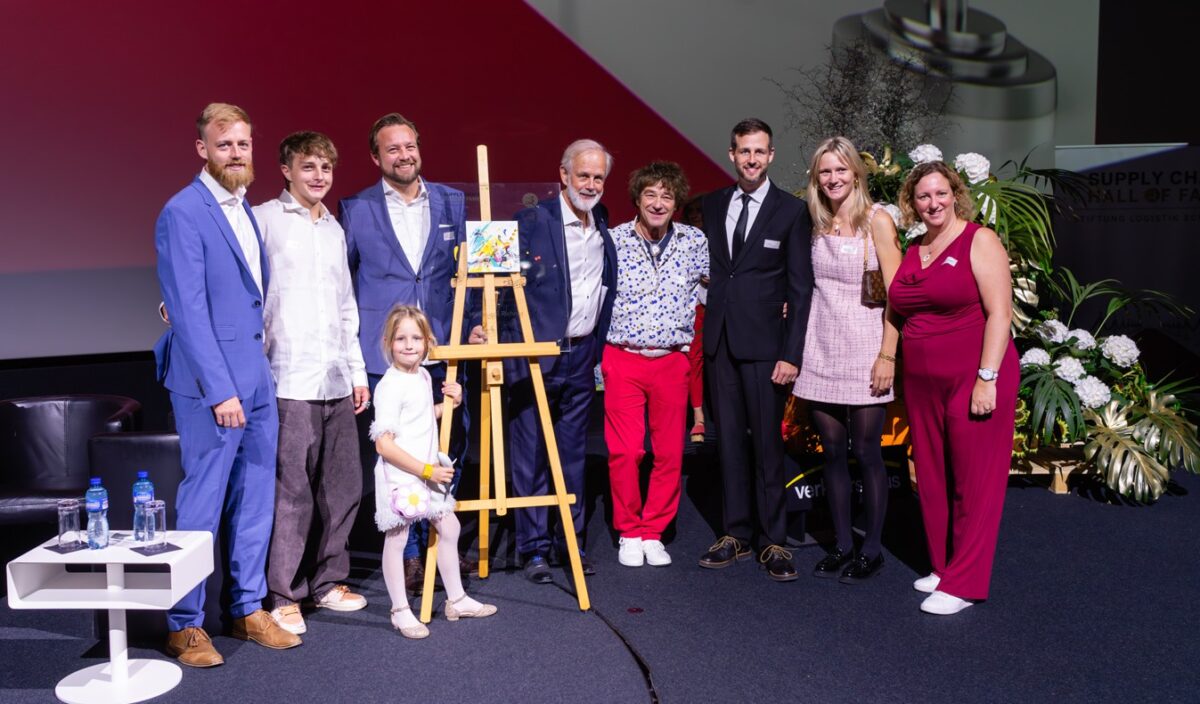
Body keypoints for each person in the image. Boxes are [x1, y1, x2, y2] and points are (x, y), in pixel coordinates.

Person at [154, 103, 301, 667]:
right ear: (202, 149)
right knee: (202, 505)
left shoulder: (244, 209)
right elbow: (188, 311)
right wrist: (221, 391)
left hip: (257, 378)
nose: (236, 153)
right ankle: (185, 625)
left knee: (256, 500)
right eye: (225, 145)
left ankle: (246, 608)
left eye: (243, 143)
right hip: (210, 386)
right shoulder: (182, 212)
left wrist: (255, 378)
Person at [468, 139, 617, 583]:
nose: (590, 184)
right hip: (534, 355)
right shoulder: (530, 219)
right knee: (530, 452)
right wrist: (478, 322)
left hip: (581, 355)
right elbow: (486, 271)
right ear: (564, 175)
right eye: (583, 175)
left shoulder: (602, 223)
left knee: (573, 455)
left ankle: (569, 541)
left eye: (598, 177)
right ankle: (533, 548)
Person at [339, 113, 470, 594]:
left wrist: (474, 324)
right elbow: (342, 282)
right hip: (386, 353)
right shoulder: (355, 208)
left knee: (448, 443)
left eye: (409, 145)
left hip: (441, 345)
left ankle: (440, 541)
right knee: (399, 456)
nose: (404, 155)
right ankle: (411, 555)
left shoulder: (452, 201)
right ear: (376, 157)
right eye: (392, 149)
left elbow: (465, 272)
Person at [890, 160, 1019, 615]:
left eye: (940, 193)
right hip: (923, 383)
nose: (933, 203)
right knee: (932, 477)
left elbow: (1000, 313)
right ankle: (944, 567)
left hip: (973, 376)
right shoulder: (915, 247)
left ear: (956, 194)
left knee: (974, 480)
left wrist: (987, 378)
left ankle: (965, 583)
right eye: (923, 196)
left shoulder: (978, 240)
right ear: (912, 203)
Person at [255, 132, 370, 635]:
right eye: (308, 166)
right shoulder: (264, 220)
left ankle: (329, 582)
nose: (319, 176)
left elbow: (346, 307)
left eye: (326, 167)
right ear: (286, 170)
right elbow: (252, 297)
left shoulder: (334, 230)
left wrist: (357, 372)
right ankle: (284, 594)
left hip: (335, 378)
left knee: (343, 488)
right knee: (292, 494)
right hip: (287, 378)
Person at [698, 118, 815, 581]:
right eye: (744, 151)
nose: (751, 159)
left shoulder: (792, 211)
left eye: (759, 151)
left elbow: (800, 289)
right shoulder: (711, 204)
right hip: (721, 342)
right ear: (732, 154)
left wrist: (792, 354)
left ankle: (774, 540)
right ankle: (736, 533)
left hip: (768, 348)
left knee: (767, 444)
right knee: (727, 443)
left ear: (771, 156)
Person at [791, 137, 903, 583]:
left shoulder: (877, 220)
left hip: (867, 347)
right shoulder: (815, 221)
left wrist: (887, 356)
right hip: (821, 346)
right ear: (816, 178)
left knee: (867, 451)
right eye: (825, 171)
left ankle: (871, 549)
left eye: (841, 170)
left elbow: (898, 297)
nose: (833, 178)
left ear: (856, 173)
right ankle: (841, 544)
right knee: (833, 452)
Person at [603, 162, 708, 568]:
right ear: (637, 199)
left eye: (667, 195)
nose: (659, 203)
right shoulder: (613, 241)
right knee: (626, 451)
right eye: (651, 194)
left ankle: (653, 532)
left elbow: (721, 285)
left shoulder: (694, 241)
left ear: (677, 202)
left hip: (671, 360)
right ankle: (629, 530)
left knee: (669, 453)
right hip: (623, 357)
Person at [371, 305, 496, 638]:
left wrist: (450, 404)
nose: (409, 345)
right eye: (401, 339)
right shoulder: (390, 386)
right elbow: (384, 445)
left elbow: (422, 416)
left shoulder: (423, 376)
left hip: (426, 475)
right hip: (403, 475)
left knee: (449, 526)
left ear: (428, 342)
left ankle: (457, 599)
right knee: (397, 538)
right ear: (388, 342)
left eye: (416, 338)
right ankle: (400, 610)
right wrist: (426, 470)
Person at [681, 196, 709, 443]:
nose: (696, 216)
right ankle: (698, 417)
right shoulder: (682, 240)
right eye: (691, 212)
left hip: (723, 307)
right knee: (694, 359)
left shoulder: (720, 237)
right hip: (694, 307)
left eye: (700, 211)